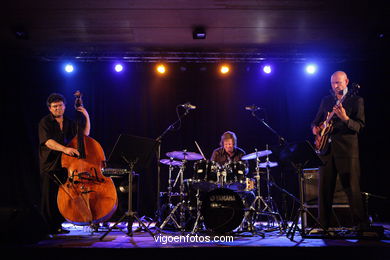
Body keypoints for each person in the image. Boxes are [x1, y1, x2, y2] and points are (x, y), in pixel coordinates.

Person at [311, 71, 369, 232]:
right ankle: (323, 224)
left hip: (347, 151)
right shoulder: (326, 101)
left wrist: (345, 118)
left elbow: (359, 126)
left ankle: (360, 224)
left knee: (352, 187)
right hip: (326, 150)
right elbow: (315, 121)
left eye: (338, 82)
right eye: (333, 83)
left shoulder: (356, 100)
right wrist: (315, 129)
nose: (336, 86)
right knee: (324, 189)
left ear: (347, 82)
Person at [38, 93, 90, 234]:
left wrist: (86, 115)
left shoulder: (68, 122)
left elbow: (84, 137)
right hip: (49, 165)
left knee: (60, 198)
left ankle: (58, 226)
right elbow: (48, 142)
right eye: (54, 106)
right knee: (48, 198)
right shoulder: (45, 122)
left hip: (64, 165)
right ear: (50, 108)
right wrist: (65, 149)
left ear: (65, 107)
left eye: (60, 106)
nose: (58, 109)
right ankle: (46, 228)